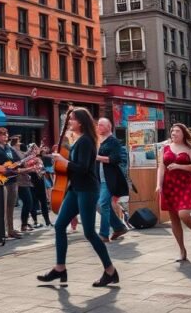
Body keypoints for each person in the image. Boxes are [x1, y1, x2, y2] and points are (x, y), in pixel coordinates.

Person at [36, 107, 119, 287]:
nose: (69, 122)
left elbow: (82, 168)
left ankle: (110, 270)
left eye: (72, 119)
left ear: (80, 122)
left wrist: (63, 161)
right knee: (59, 226)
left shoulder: (87, 141)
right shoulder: (80, 140)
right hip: (75, 189)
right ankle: (60, 268)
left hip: (87, 190)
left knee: (89, 232)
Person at [157, 123, 191, 263]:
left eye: (177, 131)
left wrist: (179, 166)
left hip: (185, 184)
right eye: (172, 131)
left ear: (183, 134)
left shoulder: (189, 148)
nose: (173, 133)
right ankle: (182, 250)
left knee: (184, 214)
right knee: (174, 219)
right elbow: (161, 167)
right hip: (169, 185)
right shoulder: (165, 148)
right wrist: (159, 185)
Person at [0, 128, 24, 239]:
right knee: (3, 207)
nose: (6, 137)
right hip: (1, 181)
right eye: (3, 135)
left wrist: (28, 158)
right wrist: (0, 168)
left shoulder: (9, 148)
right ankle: (1, 231)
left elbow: (17, 162)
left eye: (7, 135)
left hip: (12, 180)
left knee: (11, 207)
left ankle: (10, 230)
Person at [95, 118, 129, 242]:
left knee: (102, 203)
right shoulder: (97, 141)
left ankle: (103, 234)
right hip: (98, 178)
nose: (98, 127)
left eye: (101, 125)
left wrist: (97, 157)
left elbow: (115, 159)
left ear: (109, 127)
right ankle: (118, 227)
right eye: (98, 125)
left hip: (109, 179)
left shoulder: (113, 142)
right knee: (99, 205)